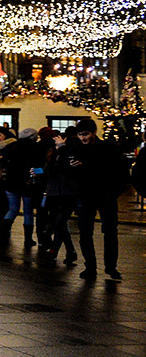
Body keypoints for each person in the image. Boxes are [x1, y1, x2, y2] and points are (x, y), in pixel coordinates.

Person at [70, 118, 127, 280]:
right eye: (80, 135)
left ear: (94, 132)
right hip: (86, 195)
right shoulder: (77, 150)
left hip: (105, 195)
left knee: (109, 231)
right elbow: (69, 173)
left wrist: (115, 192)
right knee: (85, 232)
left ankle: (110, 266)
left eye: (85, 134)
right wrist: (73, 169)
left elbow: (120, 171)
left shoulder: (108, 148)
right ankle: (90, 266)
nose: (83, 138)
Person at [38, 129, 79, 265]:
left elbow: (68, 169)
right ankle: (70, 251)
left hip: (69, 193)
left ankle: (54, 251)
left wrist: (63, 149)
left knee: (59, 223)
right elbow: (49, 170)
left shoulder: (70, 154)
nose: (57, 146)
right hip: (54, 193)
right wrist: (38, 172)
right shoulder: (52, 154)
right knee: (60, 225)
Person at [0, 127, 43, 244]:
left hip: (11, 182)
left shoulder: (13, 147)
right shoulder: (36, 148)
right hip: (27, 184)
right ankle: (28, 239)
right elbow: (39, 166)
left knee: (13, 209)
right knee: (28, 211)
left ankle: (3, 231)